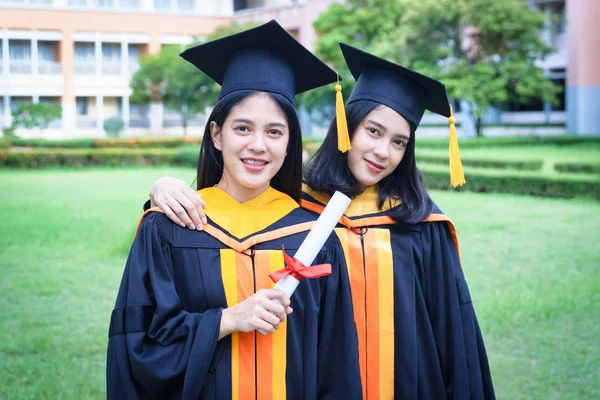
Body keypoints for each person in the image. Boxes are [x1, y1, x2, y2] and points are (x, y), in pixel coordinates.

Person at [146, 43, 495, 399]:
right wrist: (163, 186)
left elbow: (453, 330)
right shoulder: (294, 211)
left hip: (406, 384)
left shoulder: (420, 224)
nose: (382, 151)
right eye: (372, 131)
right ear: (347, 126)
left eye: (399, 142)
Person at [107, 22, 361, 400]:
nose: (258, 145)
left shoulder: (316, 237)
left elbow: (335, 364)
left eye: (275, 132)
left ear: (290, 144)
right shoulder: (168, 228)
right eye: (242, 128)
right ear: (216, 135)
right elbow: (138, 348)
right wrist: (226, 320)